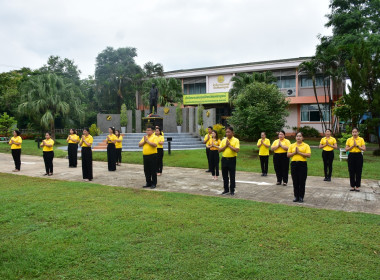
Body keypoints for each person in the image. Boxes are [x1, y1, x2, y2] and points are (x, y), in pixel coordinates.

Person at [287, 132, 311, 203]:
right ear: (295, 137)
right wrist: (294, 153)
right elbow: (288, 155)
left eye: (300, 136)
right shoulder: (292, 145)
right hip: (294, 164)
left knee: (302, 181)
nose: (298, 137)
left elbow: (308, 155)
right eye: (297, 136)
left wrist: (299, 153)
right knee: (295, 181)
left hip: (302, 164)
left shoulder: (306, 145)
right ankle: (296, 196)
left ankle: (301, 197)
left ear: (302, 138)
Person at [218, 126, 240, 195]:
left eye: (228, 132)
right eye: (226, 132)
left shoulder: (236, 140)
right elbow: (219, 150)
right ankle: (226, 189)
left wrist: (229, 146)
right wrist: (226, 146)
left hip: (232, 160)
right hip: (224, 159)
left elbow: (237, 150)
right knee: (224, 176)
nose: (227, 133)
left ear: (232, 133)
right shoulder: (223, 140)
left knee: (232, 175)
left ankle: (232, 190)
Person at [345, 127, 366, 192]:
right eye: (353, 132)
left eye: (356, 132)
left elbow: (364, 149)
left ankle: (357, 186)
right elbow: (346, 149)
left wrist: (357, 146)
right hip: (351, 155)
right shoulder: (349, 139)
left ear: (358, 132)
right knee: (351, 171)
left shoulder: (361, 139)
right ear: (351, 133)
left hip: (358, 155)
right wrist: (352, 146)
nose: (354, 133)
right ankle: (352, 186)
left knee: (358, 171)